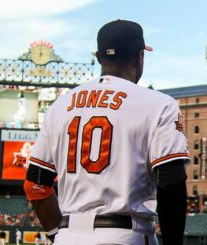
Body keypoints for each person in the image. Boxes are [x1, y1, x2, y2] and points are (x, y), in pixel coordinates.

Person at [24, 19, 189, 245]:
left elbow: (35, 185)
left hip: (68, 236)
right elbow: (171, 181)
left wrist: (58, 235)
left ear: (99, 57)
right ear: (140, 57)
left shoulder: (59, 106)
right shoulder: (159, 104)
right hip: (126, 235)